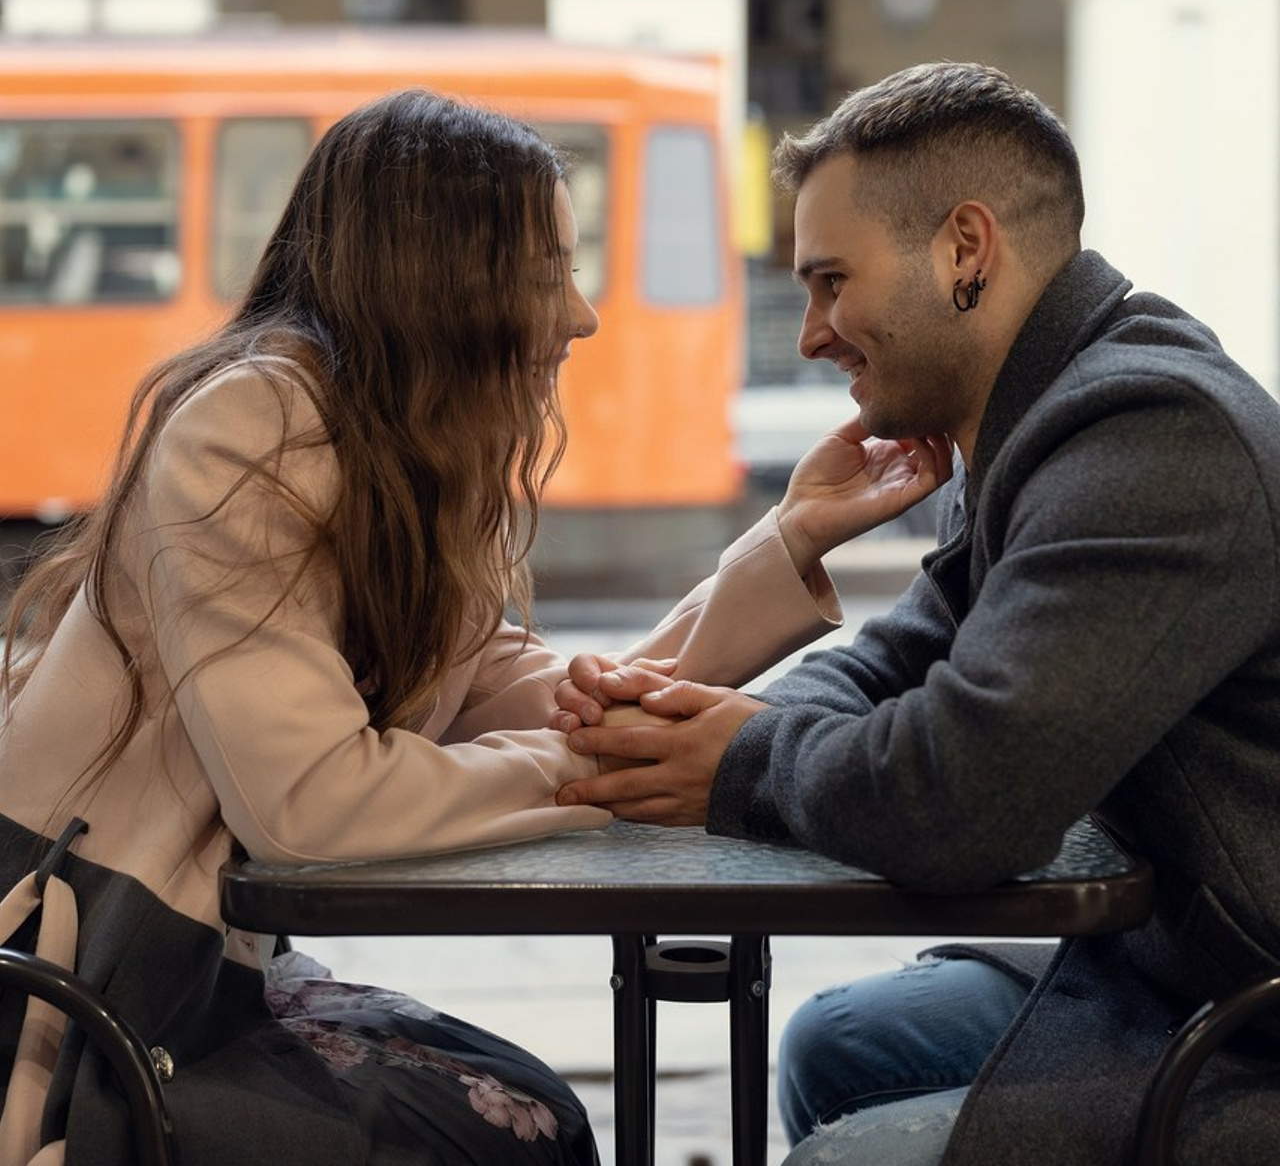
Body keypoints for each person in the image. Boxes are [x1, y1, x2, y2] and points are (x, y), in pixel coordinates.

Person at [0, 86, 952, 1165]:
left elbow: (567, 697)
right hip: (73, 1003)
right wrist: (599, 770)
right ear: (443, 280)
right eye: (548, 270)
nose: (579, 314)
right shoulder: (251, 427)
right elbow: (312, 806)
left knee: (534, 1112)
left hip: (185, 973)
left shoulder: (392, 449)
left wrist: (788, 538)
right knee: (526, 1129)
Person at [552, 61, 1280, 1165]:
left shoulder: (1148, 434)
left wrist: (739, 758)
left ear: (962, 251)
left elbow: (961, 795)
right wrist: (714, 727)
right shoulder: (1051, 415)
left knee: (843, 1152)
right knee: (833, 1040)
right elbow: (890, 662)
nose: (810, 333)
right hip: (1175, 961)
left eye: (830, 281)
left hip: (1244, 1018)